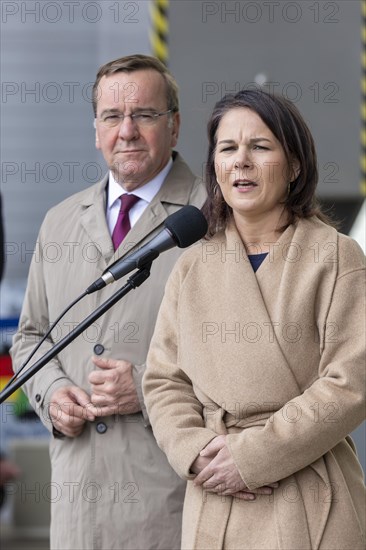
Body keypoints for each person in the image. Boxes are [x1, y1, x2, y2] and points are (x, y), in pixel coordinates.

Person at [143, 89, 366, 549]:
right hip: (215, 490)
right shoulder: (191, 264)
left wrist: (254, 457)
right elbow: (164, 380)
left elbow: (349, 384)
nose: (240, 161)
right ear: (215, 167)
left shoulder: (336, 256)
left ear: (295, 165)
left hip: (308, 490)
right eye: (228, 149)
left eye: (260, 147)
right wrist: (196, 452)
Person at [10, 54, 208, 550]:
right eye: (112, 117)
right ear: (95, 129)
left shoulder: (212, 220)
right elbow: (32, 336)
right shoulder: (59, 221)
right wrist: (52, 394)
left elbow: (244, 358)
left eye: (144, 114)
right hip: (76, 503)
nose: (128, 131)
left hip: (169, 502)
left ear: (175, 125)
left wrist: (144, 388)